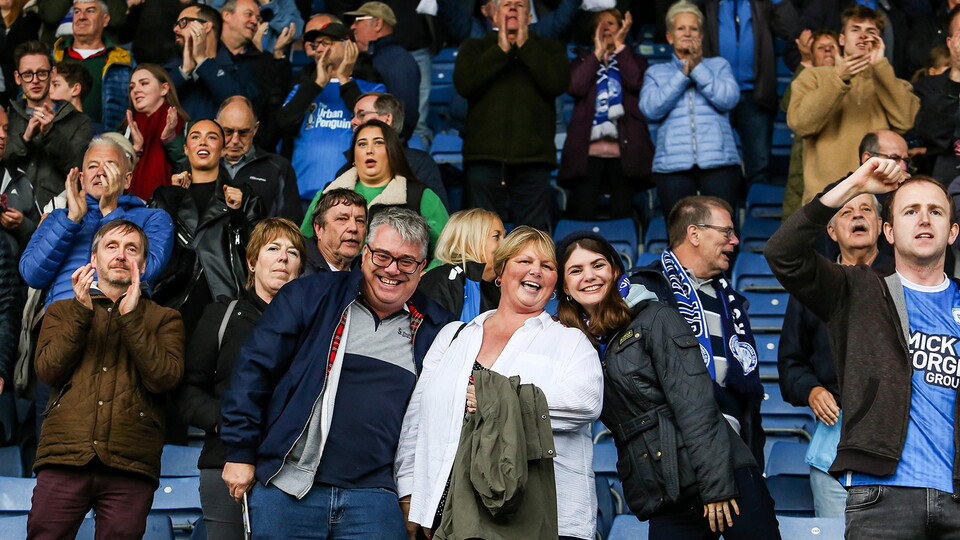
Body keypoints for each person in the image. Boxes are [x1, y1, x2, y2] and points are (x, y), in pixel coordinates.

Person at [220, 207, 455, 539]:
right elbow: (253, 372)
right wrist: (241, 452)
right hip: (289, 485)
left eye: (406, 262)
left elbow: (441, 412)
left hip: (376, 497)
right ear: (365, 254)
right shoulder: (310, 296)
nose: (392, 269)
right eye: (382, 256)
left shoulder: (436, 328)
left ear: (422, 268)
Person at [764, 158, 960, 538]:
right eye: (910, 211)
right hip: (882, 496)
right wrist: (854, 186)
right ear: (889, 231)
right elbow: (782, 253)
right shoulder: (856, 289)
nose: (924, 219)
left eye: (935, 211)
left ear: (952, 232)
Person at [555, 231, 780, 539]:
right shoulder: (575, 344)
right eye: (576, 270)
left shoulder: (655, 317)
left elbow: (696, 406)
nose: (589, 276)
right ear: (565, 286)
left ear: (616, 271)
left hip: (723, 476)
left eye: (598, 265)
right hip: (666, 490)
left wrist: (716, 485)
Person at [397, 226, 603, 540]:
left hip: (543, 522)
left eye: (547, 266)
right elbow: (417, 420)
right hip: (449, 515)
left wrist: (497, 399)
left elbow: (586, 403)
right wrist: (410, 492)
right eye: (524, 261)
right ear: (501, 271)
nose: (536, 271)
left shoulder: (570, 341)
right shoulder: (453, 336)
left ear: (555, 282)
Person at [26, 219, 184, 540]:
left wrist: (132, 318)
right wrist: (81, 313)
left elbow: (164, 379)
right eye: (111, 247)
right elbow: (48, 371)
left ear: (143, 264)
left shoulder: (165, 318)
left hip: (131, 461)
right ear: (94, 258)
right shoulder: (62, 311)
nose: (121, 255)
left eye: (131, 249)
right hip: (65, 455)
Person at [179, 217, 304, 540]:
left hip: (291, 468)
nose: (283, 258)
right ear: (251, 262)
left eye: (292, 252)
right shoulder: (222, 315)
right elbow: (189, 390)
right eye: (273, 248)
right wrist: (228, 422)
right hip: (225, 460)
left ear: (300, 268)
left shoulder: (311, 326)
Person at [777, 184, 889, 518]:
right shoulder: (811, 286)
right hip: (833, 441)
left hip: (896, 440)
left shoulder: (905, 282)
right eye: (846, 212)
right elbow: (790, 362)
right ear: (831, 230)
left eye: (866, 210)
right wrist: (811, 390)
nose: (857, 216)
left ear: (882, 226)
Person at [631, 196, 766, 467]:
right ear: (694, 234)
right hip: (669, 445)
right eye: (726, 232)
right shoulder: (644, 289)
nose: (735, 241)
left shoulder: (733, 303)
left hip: (733, 442)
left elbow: (748, 393)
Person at [19, 136, 175, 309]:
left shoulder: (154, 218)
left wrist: (110, 211)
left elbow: (147, 272)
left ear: (127, 179)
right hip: (62, 317)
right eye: (93, 166)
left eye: (110, 165)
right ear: (82, 179)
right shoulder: (58, 217)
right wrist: (71, 221)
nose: (100, 172)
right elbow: (32, 275)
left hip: (120, 317)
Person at [453, 0, 568, 231]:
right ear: (494, 16)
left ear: (530, 17)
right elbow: (465, 85)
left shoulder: (550, 48)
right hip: (484, 159)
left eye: (520, 5)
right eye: (507, 4)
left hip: (534, 161)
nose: (513, 8)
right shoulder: (474, 47)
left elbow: (557, 84)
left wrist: (525, 46)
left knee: (532, 237)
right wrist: (501, 50)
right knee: (482, 235)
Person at [787, 5, 918, 205]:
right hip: (825, 197)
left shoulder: (892, 83)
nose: (863, 36)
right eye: (855, 29)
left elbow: (905, 121)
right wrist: (838, 78)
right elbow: (801, 124)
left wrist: (880, 66)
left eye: (871, 31)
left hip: (876, 196)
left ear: (880, 41)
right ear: (841, 39)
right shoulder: (813, 76)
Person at [148, 119, 262, 336]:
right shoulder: (165, 196)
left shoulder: (244, 196)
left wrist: (237, 215)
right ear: (186, 148)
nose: (203, 142)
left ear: (223, 149)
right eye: (195, 137)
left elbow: (255, 254)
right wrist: (173, 197)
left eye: (212, 137)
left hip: (224, 300)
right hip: (171, 301)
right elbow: (153, 249)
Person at [640, 2, 741, 218]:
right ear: (669, 37)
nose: (687, 33)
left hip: (719, 163)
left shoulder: (719, 65)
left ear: (701, 36)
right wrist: (683, 74)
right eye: (681, 28)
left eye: (693, 28)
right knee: (679, 232)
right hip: (672, 166)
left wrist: (698, 68)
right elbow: (651, 109)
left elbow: (728, 100)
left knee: (724, 230)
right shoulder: (655, 72)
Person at [559, 9, 653, 221]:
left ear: (622, 29)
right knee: (583, 216)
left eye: (611, 23)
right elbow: (575, 86)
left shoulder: (636, 60)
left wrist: (620, 47)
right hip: (587, 157)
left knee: (623, 218)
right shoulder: (581, 60)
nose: (605, 28)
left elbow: (635, 81)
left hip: (625, 156)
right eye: (600, 24)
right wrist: (597, 54)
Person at [276, 15, 383, 202]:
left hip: (353, 196)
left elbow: (374, 125)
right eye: (316, 44)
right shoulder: (304, 88)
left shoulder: (373, 89)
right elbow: (282, 123)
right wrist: (316, 84)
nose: (318, 49)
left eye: (326, 43)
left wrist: (344, 79)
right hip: (303, 192)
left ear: (348, 46)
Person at [693, 0, 792, 187]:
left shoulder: (761, 3)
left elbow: (790, 29)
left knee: (759, 167)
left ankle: (754, 204)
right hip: (714, 95)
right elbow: (682, 17)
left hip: (755, 95)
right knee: (714, 165)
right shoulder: (708, 4)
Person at [317, 119, 448, 253]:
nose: (369, 150)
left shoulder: (422, 197)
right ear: (353, 156)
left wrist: (421, 268)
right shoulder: (327, 193)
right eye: (362, 144)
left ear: (393, 152)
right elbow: (307, 244)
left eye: (378, 143)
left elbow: (447, 251)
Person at [5, 40, 93, 211]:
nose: (35, 80)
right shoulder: (8, 119)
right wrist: (25, 138)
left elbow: (79, 171)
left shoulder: (79, 121)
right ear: (17, 77)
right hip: (9, 212)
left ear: (53, 73)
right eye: (27, 74)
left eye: (41, 73)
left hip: (56, 214)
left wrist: (51, 132)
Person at [781, 29, 839, 219]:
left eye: (832, 46)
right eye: (821, 48)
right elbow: (787, 104)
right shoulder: (806, 77)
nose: (828, 51)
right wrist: (805, 61)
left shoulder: (854, 81)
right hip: (805, 160)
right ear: (812, 55)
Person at [217, 95, 303, 222]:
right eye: (228, 131)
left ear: (255, 129)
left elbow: (290, 225)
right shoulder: (198, 165)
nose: (235, 140)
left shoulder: (278, 168)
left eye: (243, 132)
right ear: (216, 127)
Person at [51, 0, 133, 131]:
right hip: (56, 136)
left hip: (108, 138)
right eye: (77, 11)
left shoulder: (123, 60)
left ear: (105, 20)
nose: (82, 17)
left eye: (90, 11)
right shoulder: (53, 57)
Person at [345, 1, 420, 139]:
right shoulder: (375, 57)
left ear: (378, 24)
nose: (353, 27)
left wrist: (392, 143)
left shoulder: (397, 60)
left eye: (358, 20)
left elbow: (404, 115)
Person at [417, 208, 504, 321]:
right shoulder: (441, 280)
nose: (505, 243)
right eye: (496, 236)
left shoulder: (501, 286)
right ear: (470, 239)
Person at [125, 63, 189, 200]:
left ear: (164, 89)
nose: (135, 90)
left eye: (144, 83)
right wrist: (135, 149)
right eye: (132, 87)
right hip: (129, 206)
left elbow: (191, 170)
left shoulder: (187, 127)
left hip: (170, 205)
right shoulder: (126, 130)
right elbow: (116, 175)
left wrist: (171, 139)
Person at [913, 9, 960, 184]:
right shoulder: (929, 86)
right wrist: (957, 74)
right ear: (950, 42)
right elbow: (933, 137)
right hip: (945, 185)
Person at [0, 105, 39, 254]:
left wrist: (23, 226)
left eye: (5, 129)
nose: (2, 135)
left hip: (11, 268)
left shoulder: (20, 180)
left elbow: (41, 238)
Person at [303, 188, 367, 275]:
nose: (354, 228)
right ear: (319, 229)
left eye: (360, 221)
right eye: (342, 219)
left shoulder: (369, 271)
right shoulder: (297, 269)